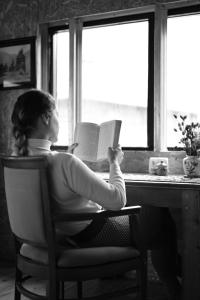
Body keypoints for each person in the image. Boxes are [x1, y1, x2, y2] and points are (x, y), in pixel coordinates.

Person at [11, 89, 181, 300]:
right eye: (56, 114)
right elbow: (117, 200)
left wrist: (70, 162)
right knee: (159, 217)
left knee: (150, 218)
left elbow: (53, 195)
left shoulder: (18, 159)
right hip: (91, 235)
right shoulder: (63, 162)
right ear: (46, 117)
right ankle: (178, 290)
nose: (59, 121)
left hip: (58, 236)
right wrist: (114, 163)